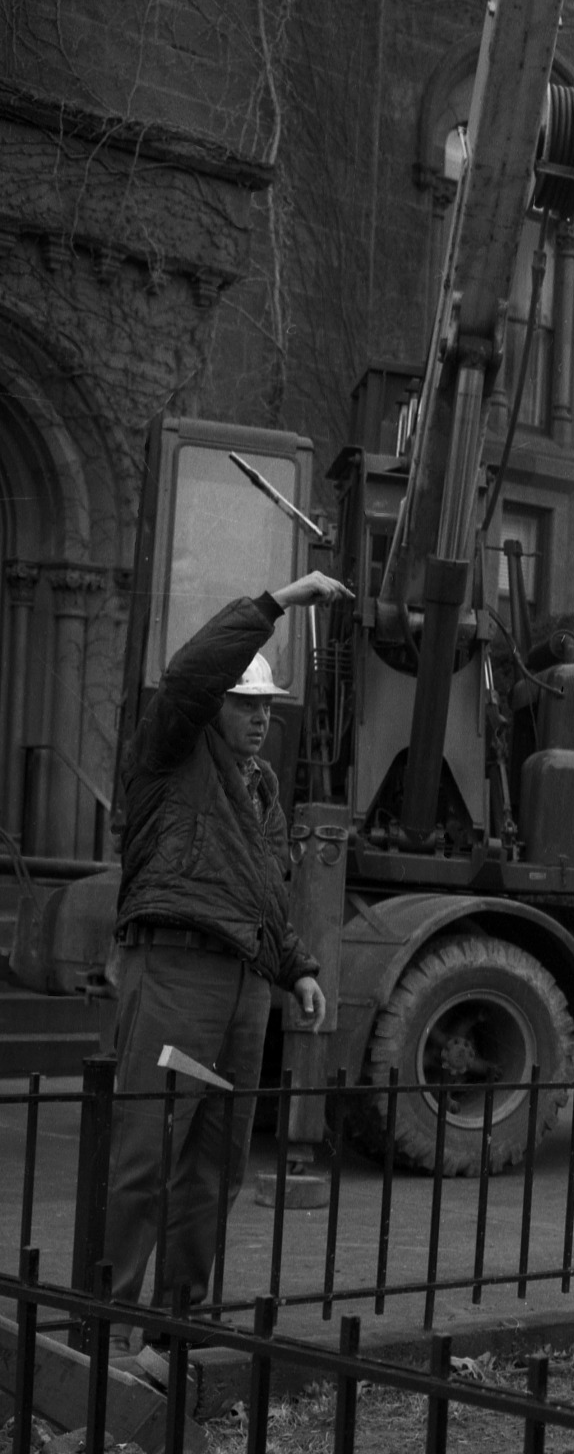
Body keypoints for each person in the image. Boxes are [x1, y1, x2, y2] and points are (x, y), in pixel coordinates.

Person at [106, 572, 349, 1379]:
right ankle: (105, 1332)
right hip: (175, 965)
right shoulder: (170, 750)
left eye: (268, 707)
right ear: (215, 708)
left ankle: (178, 1328)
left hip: (242, 982)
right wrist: (278, 604)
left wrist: (296, 969)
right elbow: (189, 674)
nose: (259, 719)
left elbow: (260, 894)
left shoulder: (260, 791)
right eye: (246, 704)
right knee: (150, 1149)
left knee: (215, 1162)